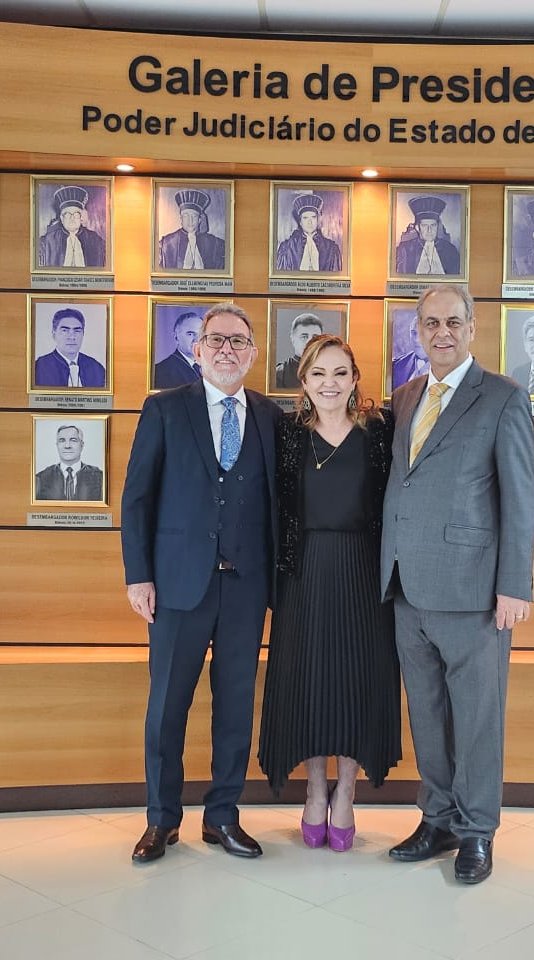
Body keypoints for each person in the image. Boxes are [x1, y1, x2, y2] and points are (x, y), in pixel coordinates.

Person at [381, 283, 534, 885]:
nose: (441, 333)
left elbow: (520, 498)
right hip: (407, 587)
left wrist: (514, 585)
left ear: (472, 328)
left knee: (476, 719)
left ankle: (477, 831)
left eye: (452, 322)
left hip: (474, 591)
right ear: (417, 331)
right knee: (426, 713)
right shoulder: (405, 397)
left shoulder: (502, 397)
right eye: (430, 323)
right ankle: (438, 818)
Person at [120, 301, 281, 865]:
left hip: (245, 587)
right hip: (176, 587)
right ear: (197, 348)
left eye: (238, 341)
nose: (226, 350)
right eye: (216, 339)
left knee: (235, 707)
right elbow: (137, 498)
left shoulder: (271, 416)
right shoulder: (165, 409)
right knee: (167, 706)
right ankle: (161, 820)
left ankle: (222, 817)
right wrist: (138, 575)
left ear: (253, 353)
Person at [258, 335, 401, 852]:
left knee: (356, 682)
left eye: (340, 373)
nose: (330, 384)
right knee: (309, 683)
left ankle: (347, 793)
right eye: (318, 373)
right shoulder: (287, 434)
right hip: (303, 573)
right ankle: (315, 790)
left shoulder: (380, 431)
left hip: (363, 572)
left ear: (355, 378)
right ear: (303, 381)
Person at [34, 307, 107, 389]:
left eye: (77, 331)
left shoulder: (97, 369)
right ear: (54, 335)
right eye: (65, 330)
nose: (72, 337)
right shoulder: (38, 368)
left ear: (83, 334)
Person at [37, 185, 107, 269]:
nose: (72, 218)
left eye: (76, 214)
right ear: (61, 218)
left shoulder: (96, 241)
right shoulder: (46, 243)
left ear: (81, 217)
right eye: (67, 214)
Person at [158, 189, 226, 270]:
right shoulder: (166, 244)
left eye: (194, 216)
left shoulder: (215, 243)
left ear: (199, 220)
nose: (190, 220)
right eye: (186, 216)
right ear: (181, 218)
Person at [34, 424, 105, 501]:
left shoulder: (99, 477)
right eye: (62, 440)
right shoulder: (41, 478)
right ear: (57, 445)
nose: (67, 446)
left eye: (73, 440)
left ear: (81, 445)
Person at [274, 193, 342, 273]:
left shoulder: (332, 249)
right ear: (300, 222)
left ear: (317, 220)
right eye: (305, 218)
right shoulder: (287, 248)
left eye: (313, 217)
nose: (310, 222)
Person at [394, 195, 461, 275]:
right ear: (417, 227)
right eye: (424, 225)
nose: (429, 230)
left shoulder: (450, 250)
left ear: (437, 226)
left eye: (433, 225)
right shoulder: (404, 249)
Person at [153, 311, 204, 390]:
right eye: (190, 334)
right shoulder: (160, 371)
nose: (197, 339)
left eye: (200, 334)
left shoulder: (211, 367)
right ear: (176, 337)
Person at [273, 313, 324, 390]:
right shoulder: (279, 373)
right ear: (293, 339)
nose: (309, 341)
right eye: (304, 337)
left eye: (315, 337)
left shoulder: (330, 372)